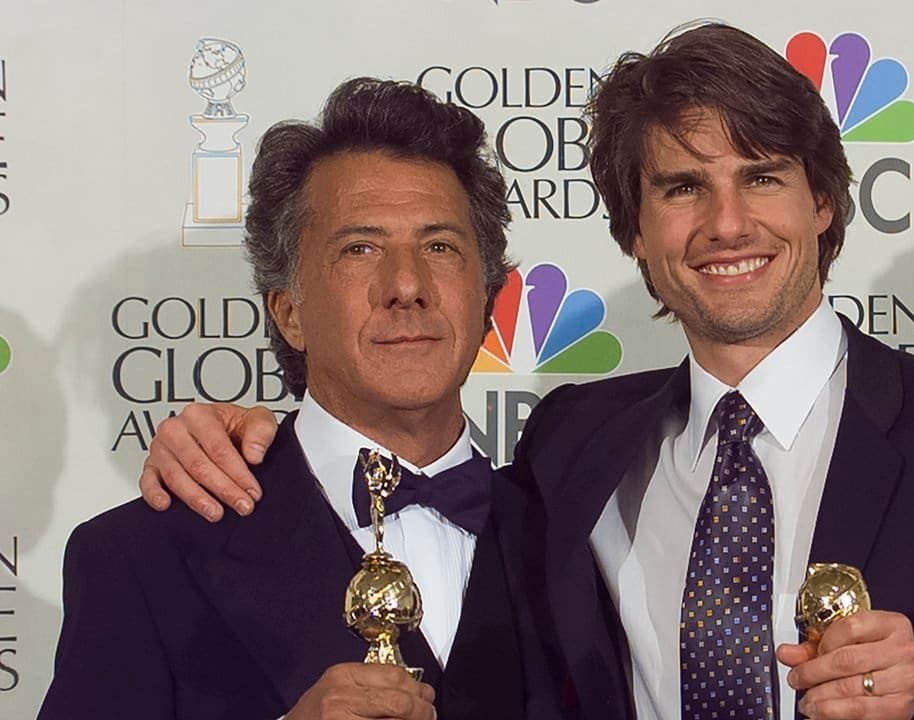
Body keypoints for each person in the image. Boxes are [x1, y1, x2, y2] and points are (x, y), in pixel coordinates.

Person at [134, 24, 914, 720]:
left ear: (827, 204)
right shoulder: (573, 443)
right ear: (633, 230)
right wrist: (251, 431)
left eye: (763, 177)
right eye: (681, 187)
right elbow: (376, 462)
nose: (728, 223)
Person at [39, 78, 559, 720]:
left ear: (487, 300)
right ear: (289, 312)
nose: (406, 285)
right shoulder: (142, 557)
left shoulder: (581, 534)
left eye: (440, 246)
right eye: (360, 248)